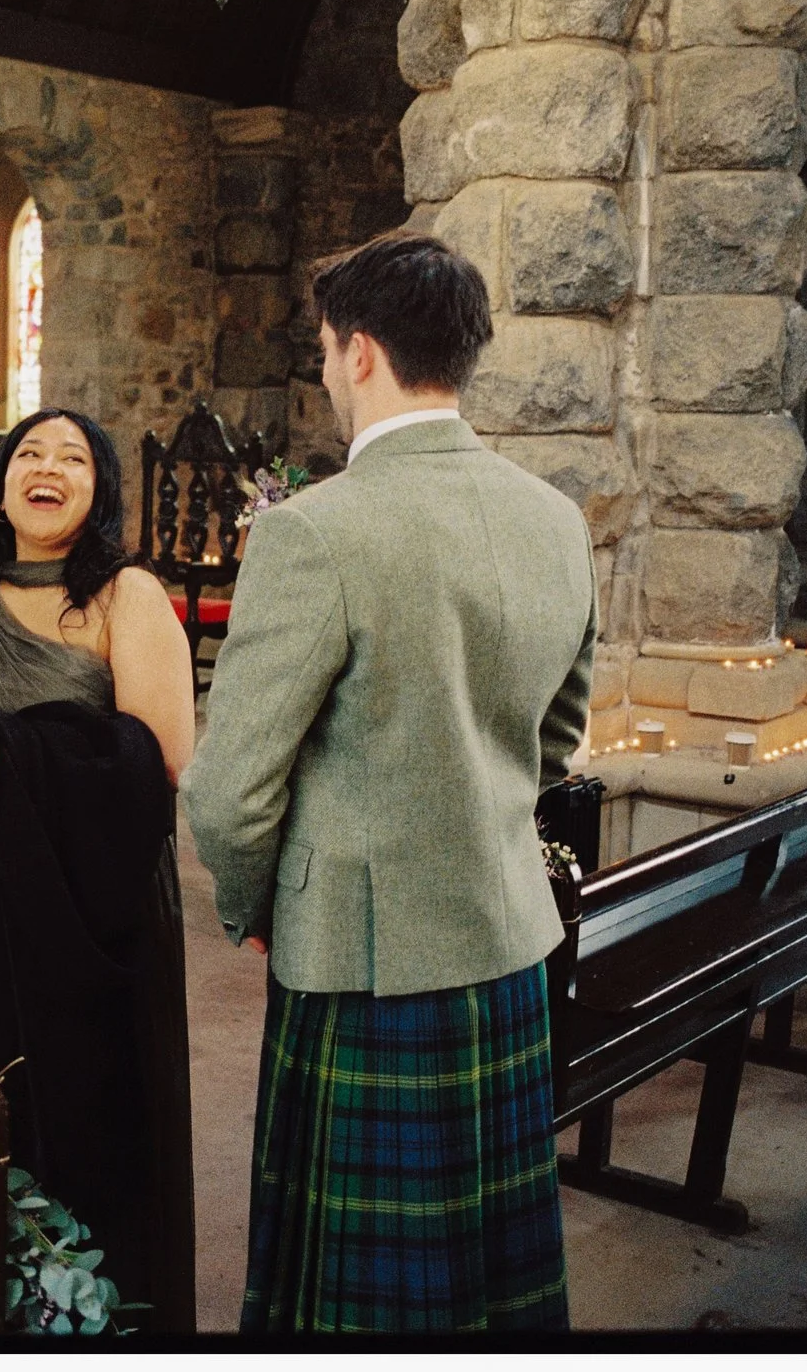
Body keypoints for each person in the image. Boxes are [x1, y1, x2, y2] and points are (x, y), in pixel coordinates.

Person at [182, 231, 595, 1334]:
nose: (327, 369)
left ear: (359, 351)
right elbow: (557, 740)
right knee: (487, 1282)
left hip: (361, 964)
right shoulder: (555, 519)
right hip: (504, 942)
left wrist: (258, 905)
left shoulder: (316, 532)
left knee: (358, 1294)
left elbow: (229, 792)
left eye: (325, 348)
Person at [0, 407, 198, 1329]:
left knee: (83, 1114)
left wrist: (18, 770)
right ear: (2, 484)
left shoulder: (126, 596)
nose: (47, 468)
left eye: (73, 458)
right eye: (29, 453)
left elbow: (162, 759)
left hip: (88, 899)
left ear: (101, 490)